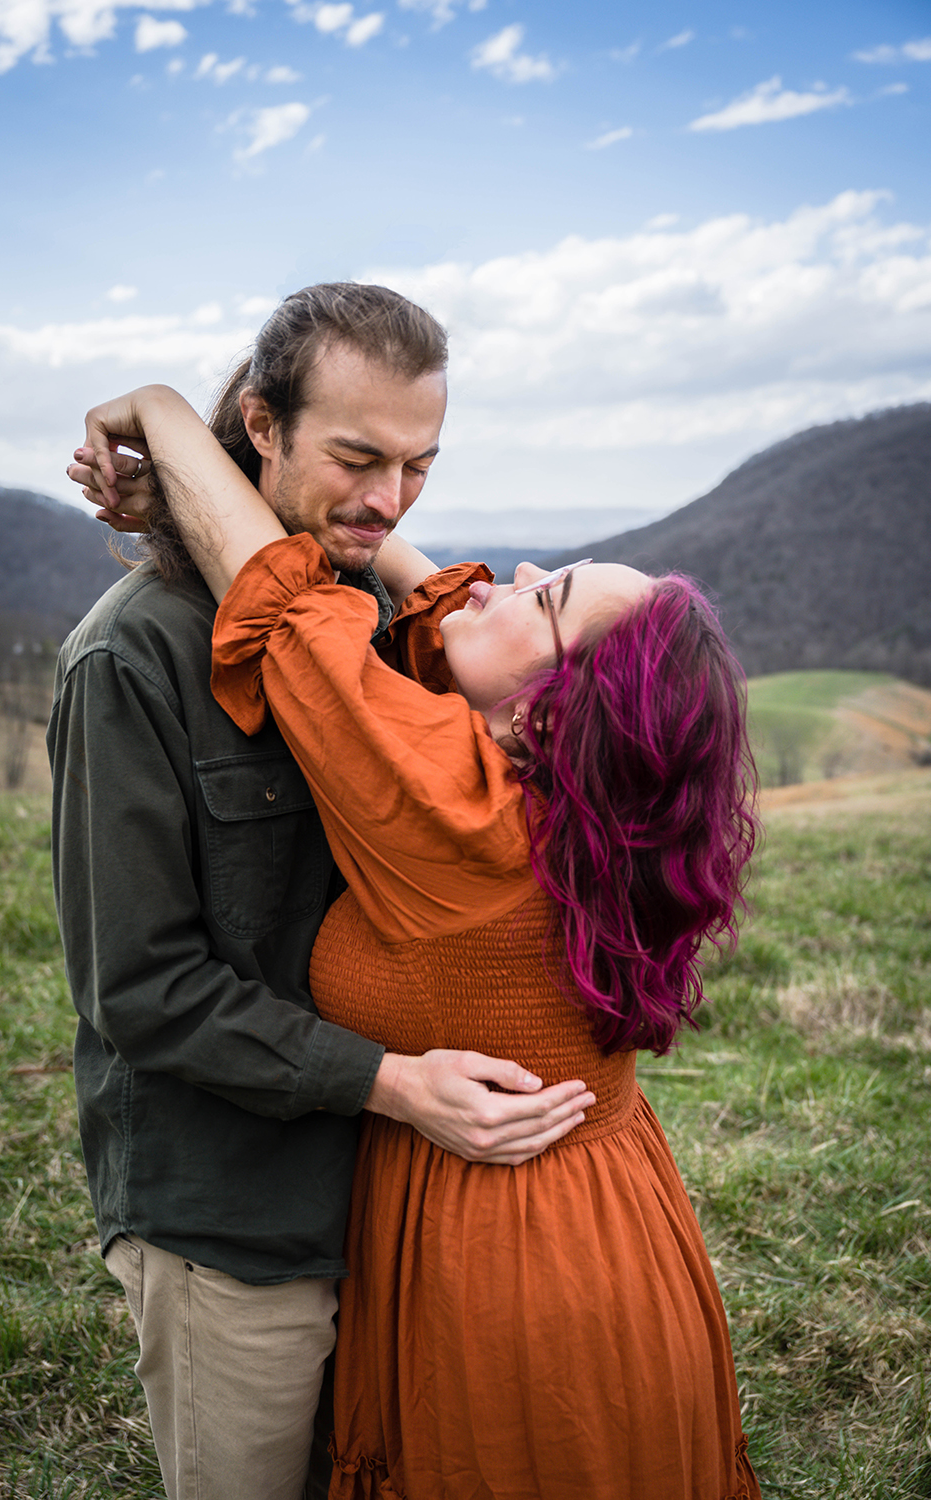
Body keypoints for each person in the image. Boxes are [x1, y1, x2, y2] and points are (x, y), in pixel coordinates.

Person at [71, 378, 763, 1500]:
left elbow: (291, 609)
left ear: (545, 717)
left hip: (506, 1266)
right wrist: (360, 541)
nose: (514, 576)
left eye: (550, 600)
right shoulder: (586, 807)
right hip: (614, 1226)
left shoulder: (463, 809)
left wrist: (159, 414)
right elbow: (458, 605)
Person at [48, 284, 595, 1500]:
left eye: (418, 464)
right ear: (261, 424)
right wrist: (395, 1085)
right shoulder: (129, 657)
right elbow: (140, 988)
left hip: (399, 1204)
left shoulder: (350, 617)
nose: (389, 499)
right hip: (234, 1217)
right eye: (357, 456)